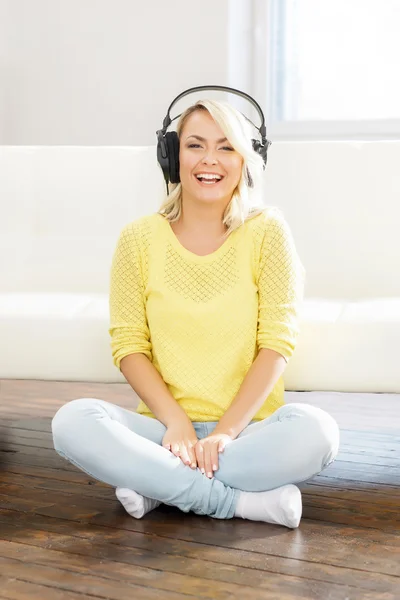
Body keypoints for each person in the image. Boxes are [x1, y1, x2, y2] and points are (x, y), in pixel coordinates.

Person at [51, 92, 340, 529]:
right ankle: (240, 503)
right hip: (164, 433)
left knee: (318, 432)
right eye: (195, 145)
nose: (211, 160)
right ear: (172, 156)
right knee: (71, 422)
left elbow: (277, 343)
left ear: (246, 160)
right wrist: (176, 424)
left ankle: (156, 484)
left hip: (245, 435)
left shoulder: (268, 231)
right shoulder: (138, 239)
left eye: (227, 147)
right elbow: (129, 345)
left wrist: (224, 432)